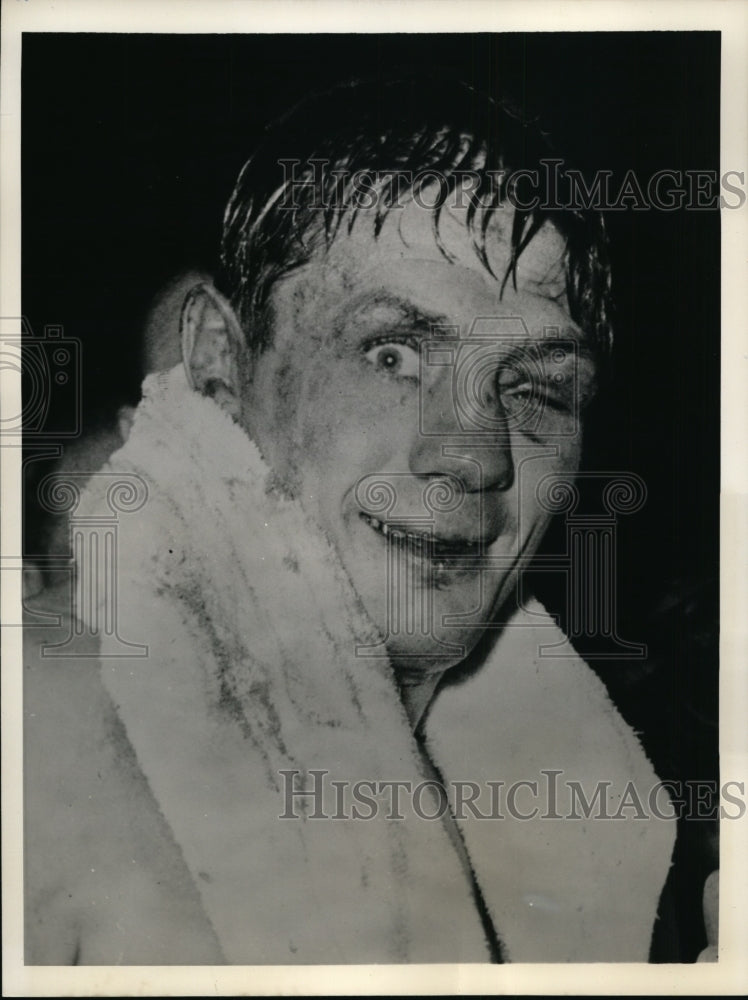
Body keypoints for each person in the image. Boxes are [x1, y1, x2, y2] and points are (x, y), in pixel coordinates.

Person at [24, 76, 678, 964]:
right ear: (220, 359)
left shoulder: (617, 849)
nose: (476, 455)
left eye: (533, 388)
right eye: (394, 353)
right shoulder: (35, 738)